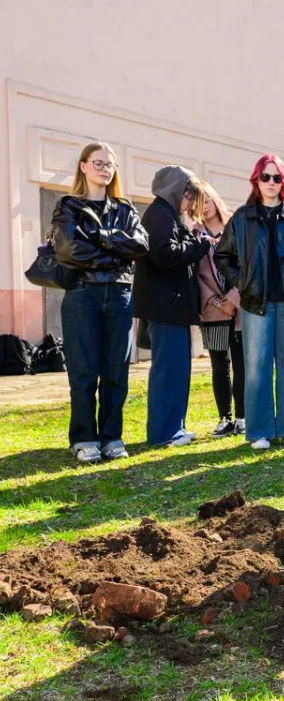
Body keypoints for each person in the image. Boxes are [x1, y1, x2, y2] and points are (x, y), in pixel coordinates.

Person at [51, 142, 149, 462]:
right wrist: (114, 252)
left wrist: (102, 237)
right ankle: (83, 438)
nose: (105, 169)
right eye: (98, 163)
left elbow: (140, 245)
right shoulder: (68, 206)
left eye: (110, 164)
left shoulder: (125, 208)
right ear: (83, 166)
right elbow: (70, 251)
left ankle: (111, 437)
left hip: (120, 294)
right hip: (83, 295)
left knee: (115, 371)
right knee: (83, 371)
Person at [214, 154, 284, 450]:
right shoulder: (243, 217)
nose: (271, 183)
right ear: (256, 180)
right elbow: (223, 256)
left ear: (283, 181)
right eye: (265, 177)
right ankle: (259, 429)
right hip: (255, 304)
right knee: (257, 366)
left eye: (277, 177)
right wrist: (242, 283)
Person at [136, 166, 211, 447]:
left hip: (173, 307)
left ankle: (175, 427)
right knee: (167, 370)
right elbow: (164, 255)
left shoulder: (168, 215)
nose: (190, 203)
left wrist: (192, 241)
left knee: (178, 369)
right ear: (175, 191)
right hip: (164, 307)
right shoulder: (158, 214)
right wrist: (199, 247)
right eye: (189, 196)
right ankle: (163, 433)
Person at [197, 183, 244, 438]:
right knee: (219, 364)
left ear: (215, 200)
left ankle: (242, 417)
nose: (204, 207)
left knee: (241, 363)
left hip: (239, 310)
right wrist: (217, 302)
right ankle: (224, 418)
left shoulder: (235, 227)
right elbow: (197, 277)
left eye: (207, 201)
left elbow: (247, 265)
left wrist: (233, 299)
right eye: (198, 203)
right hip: (213, 312)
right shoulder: (195, 234)